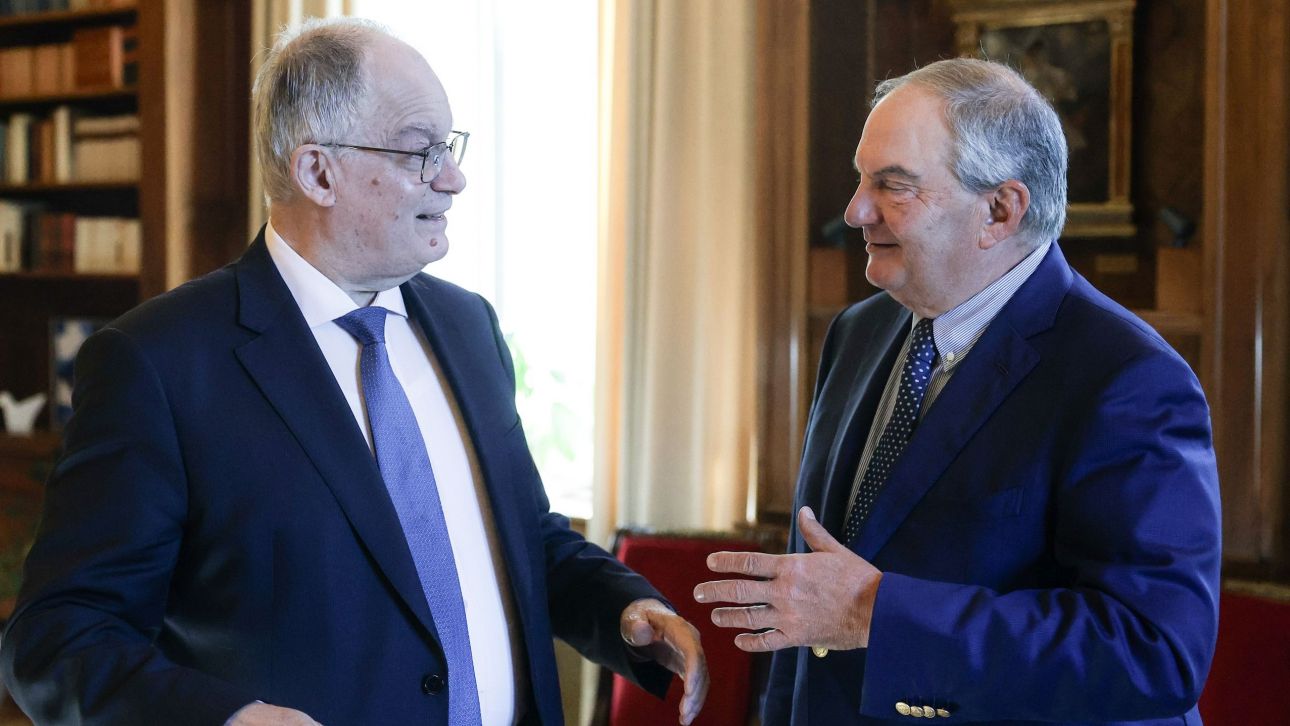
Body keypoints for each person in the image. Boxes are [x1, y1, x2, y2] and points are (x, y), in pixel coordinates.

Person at [1, 18, 707, 726]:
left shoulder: (469, 327)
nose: (453, 178)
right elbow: (56, 637)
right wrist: (227, 718)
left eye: (450, 147)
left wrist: (622, 607)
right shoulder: (158, 363)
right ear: (318, 173)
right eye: (421, 152)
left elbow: (522, 536)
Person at [695, 58, 1220, 724]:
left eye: (893, 185)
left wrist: (875, 613)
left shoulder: (1130, 377)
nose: (855, 211)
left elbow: (1154, 652)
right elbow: (813, 607)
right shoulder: (858, 331)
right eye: (860, 178)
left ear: (999, 210)